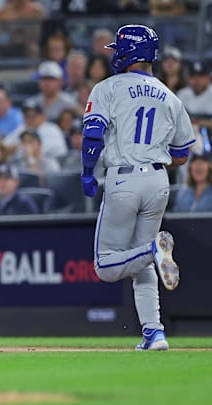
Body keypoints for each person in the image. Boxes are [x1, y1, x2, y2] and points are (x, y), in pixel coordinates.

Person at [81, 24, 195, 351]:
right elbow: (183, 153)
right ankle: (154, 332)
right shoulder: (170, 95)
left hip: (123, 178)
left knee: (106, 265)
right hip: (159, 181)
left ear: (128, 53)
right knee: (141, 265)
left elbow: (92, 137)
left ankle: (152, 251)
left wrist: (88, 173)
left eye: (118, 49)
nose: (114, 54)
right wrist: (153, 160)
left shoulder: (109, 87)